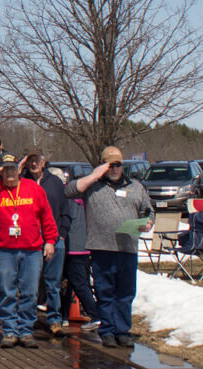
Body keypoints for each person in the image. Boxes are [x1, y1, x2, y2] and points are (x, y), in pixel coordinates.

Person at [0, 154, 58, 348]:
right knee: (7, 291)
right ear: (0, 172)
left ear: (19, 170)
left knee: (30, 293)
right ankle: (9, 330)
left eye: (12, 169)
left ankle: (26, 330)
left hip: (31, 250)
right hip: (5, 250)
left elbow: (47, 216)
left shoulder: (34, 189)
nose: (9, 174)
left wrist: (50, 241)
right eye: (5, 170)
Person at [64, 146, 153, 349]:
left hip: (127, 247)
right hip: (101, 248)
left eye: (118, 164)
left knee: (125, 292)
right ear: (103, 166)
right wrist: (94, 175)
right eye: (110, 165)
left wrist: (148, 222)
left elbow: (148, 210)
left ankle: (123, 331)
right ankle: (107, 331)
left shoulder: (136, 186)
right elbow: (69, 191)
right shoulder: (92, 186)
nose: (114, 168)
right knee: (105, 292)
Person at [22, 150, 71, 336]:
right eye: (30, 161)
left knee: (53, 284)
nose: (34, 164)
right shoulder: (22, 182)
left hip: (54, 239)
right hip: (30, 241)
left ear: (44, 162)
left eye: (37, 161)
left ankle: (54, 319)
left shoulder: (55, 183)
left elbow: (65, 210)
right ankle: (28, 319)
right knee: (30, 283)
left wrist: (62, 234)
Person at [60, 195, 100, 331]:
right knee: (70, 282)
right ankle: (64, 315)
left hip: (74, 247)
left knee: (78, 282)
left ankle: (95, 315)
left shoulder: (69, 202)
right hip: (84, 246)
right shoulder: (89, 202)